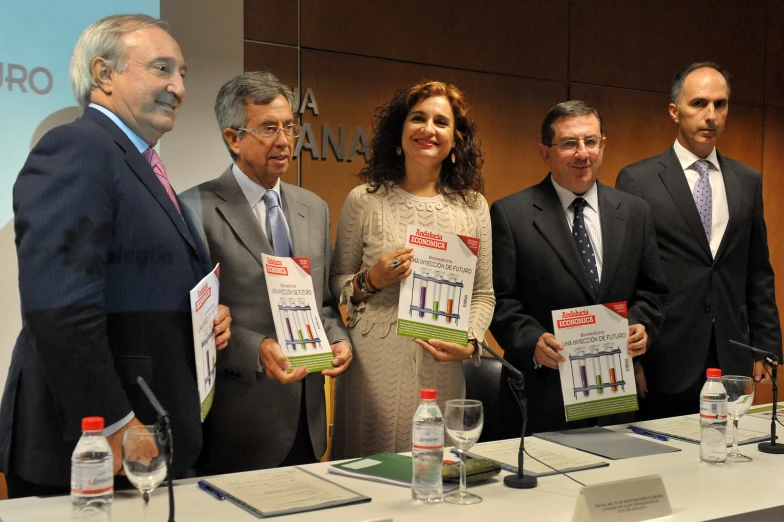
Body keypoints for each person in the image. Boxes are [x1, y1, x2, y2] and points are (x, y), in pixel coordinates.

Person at [0, 14, 231, 498]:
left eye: (183, 73)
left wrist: (205, 318)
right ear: (104, 75)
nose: (179, 87)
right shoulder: (77, 147)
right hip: (95, 450)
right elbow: (59, 309)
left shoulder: (144, 164)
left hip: (145, 440)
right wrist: (114, 423)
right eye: (163, 69)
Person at [180, 71, 352, 474]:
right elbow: (192, 321)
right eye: (269, 128)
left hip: (307, 420)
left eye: (290, 127)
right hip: (238, 425)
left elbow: (323, 303)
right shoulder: (194, 209)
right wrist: (254, 347)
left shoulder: (314, 207)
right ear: (233, 138)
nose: (284, 140)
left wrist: (338, 338)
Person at [329, 81, 495, 459]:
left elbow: (484, 294)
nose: (428, 128)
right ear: (399, 134)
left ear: (455, 140)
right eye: (418, 118)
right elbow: (336, 282)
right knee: (367, 481)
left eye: (441, 121)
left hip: (440, 370)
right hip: (371, 369)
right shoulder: (364, 201)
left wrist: (469, 342)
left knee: (433, 481)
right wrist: (370, 279)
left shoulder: (474, 208)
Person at [616, 63, 782, 420]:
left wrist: (766, 348)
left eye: (720, 105)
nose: (711, 116)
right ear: (675, 111)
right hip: (664, 358)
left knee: (729, 462)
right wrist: (631, 360)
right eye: (699, 104)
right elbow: (627, 277)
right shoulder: (638, 180)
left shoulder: (747, 181)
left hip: (731, 354)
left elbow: (757, 271)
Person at [490, 100, 667, 435]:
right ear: (545, 153)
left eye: (591, 141)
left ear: (603, 145)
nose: (582, 153)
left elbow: (654, 293)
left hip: (614, 395)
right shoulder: (511, 215)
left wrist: (641, 326)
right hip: (543, 396)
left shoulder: (634, 212)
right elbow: (501, 302)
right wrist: (533, 342)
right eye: (569, 143)